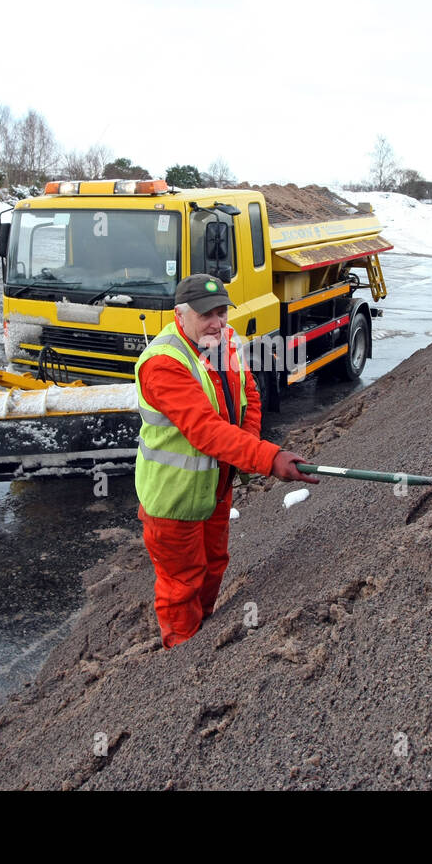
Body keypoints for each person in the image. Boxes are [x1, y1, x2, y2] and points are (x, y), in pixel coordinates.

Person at [135, 273, 317, 648]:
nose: (218, 322)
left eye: (222, 312)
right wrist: (269, 457)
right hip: (173, 498)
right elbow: (205, 431)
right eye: (207, 314)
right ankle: (182, 652)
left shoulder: (226, 340)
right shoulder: (163, 363)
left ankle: (203, 634)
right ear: (179, 315)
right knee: (181, 583)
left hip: (216, 487)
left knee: (214, 565)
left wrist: (245, 452)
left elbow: (247, 394)